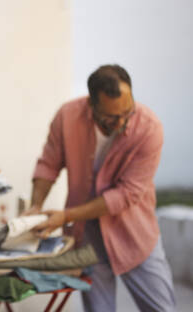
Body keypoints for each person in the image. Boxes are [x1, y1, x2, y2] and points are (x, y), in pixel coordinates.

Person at [23, 64, 176, 311]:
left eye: (128, 111)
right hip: (88, 240)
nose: (123, 122)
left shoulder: (149, 128)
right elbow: (48, 165)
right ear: (91, 106)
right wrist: (36, 205)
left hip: (135, 237)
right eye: (112, 117)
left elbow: (126, 195)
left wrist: (66, 216)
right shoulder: (67, 116)